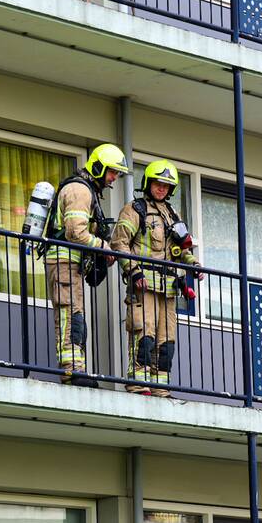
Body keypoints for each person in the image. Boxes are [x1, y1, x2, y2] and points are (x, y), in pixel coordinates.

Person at [111, 159, 201, 396]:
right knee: (144, 334)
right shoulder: (134, 209)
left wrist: (194, 265)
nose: (161, 188)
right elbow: (119, 242)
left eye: (166, 185)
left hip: (168, 287)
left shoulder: (173, 215)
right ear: (148, 183)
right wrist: (133, 270)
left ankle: (160, 387)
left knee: (167, 340)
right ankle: (139, 384)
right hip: (143, 285)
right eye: (157, 183)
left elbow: (181, 249)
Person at [44, 143, 128, 385]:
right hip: (63, 262)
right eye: (112, 172)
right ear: (99, 167)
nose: (113, 178)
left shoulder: (86, 190)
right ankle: (72, 372)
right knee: (70, 316)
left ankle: (76, 369)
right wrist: (104, 248)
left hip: (71, 264)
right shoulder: (80, 191)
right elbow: (75, 232)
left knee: (75, 316)